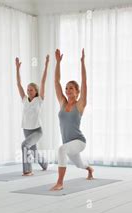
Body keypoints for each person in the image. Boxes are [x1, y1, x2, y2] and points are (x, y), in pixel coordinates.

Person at [50, 48, 94, 191]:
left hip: (79, 141)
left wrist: (82, 63)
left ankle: (60, 183)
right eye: (67, 88)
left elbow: (85, 82)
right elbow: (56, 81)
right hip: (69, 143)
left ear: (77, 92)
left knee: (61, 150)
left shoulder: (80, 105)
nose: (68, 91)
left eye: (71, 89)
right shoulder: (62, 102)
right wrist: (57, 62)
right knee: (79, 164)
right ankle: (89, 169)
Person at [15, 55, 49, 175]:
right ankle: (45, 163)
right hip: (27, 129)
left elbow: (43, 82)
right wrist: (17, 68)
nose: (29, 91)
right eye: (28, 89)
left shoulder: (39, 100)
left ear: (36, 91)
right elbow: (18, 84)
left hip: (37, 130)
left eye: (31, 90)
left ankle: (27, 170)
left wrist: (46, 65)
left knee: (24, 145)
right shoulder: (24, 99)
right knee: (34, 152)